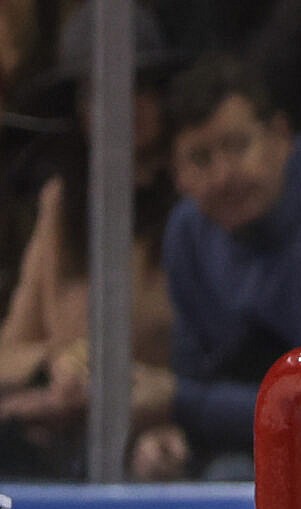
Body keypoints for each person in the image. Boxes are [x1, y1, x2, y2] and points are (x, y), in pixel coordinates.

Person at [142, 53, 301, 480]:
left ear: (279, 136)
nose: (224, 175)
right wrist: (170, 434)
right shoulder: (186, 233)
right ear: (177, 174)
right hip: (243, 445)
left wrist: (181, 403)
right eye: (201, 159)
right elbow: (193, 377)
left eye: (237, 146)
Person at [0, 2, 181, 478]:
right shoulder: (64, 203)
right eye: (97, 93)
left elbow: (206, 351)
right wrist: (56, 363)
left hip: (162, 429)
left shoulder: (194, 195)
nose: (121, 107)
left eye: (139, 87)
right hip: (62, 430)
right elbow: (10, 351)